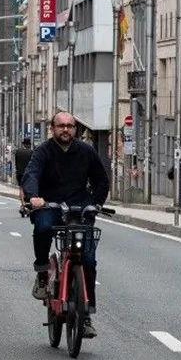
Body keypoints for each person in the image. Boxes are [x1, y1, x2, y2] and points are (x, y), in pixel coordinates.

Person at [22, 110, 109, 338]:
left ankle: (87, 315)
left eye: (70, 126)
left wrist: (97, 203)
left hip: (79, 208)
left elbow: (101, 180)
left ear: (75, 129)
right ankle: (42, 271)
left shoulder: (86, 152)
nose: (66, 130)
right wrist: (33, 197)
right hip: (49, 204)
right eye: (61, 126)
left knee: (88, 259)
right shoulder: (43, 152)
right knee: (41, 228)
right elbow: (31, 174)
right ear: (52, 128)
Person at [14, 137, 34, 204]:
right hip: (29, 173)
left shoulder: (18, 152)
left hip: (20, 173)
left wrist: (17, 171)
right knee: (30, 187)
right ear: (29, 144)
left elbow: (16, 163)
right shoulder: (32, 152)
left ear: (23, 144)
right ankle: (29, 203)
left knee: (21, 188)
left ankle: (23, 204)